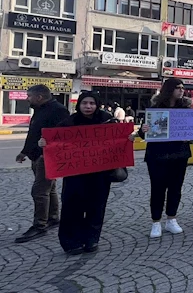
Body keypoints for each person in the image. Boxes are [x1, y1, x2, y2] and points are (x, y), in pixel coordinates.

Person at [38, 91, 134, 254]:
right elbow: (55, 142)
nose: (88, 106)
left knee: (96, 207)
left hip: (100, 174)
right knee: (72, 207)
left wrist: (129, 139)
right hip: (75, 175)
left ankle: (91, 239)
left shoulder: (107, 121)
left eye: (91, 103)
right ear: (79, 105)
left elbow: (119, 139)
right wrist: (44, 143)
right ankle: (71, 242)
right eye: (84, 103)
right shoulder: (69, 122)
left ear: (97, 105)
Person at [14, 85, 70, 244]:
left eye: (29, 96)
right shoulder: (39, 109)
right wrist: (24, 152)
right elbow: (34, 133)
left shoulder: (58, 110)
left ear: (39, 97)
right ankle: (53, 217)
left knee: (39, 191)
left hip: (48, 156)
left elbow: (63, 135)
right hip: (36, 156)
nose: (27, 99)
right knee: (49, 189)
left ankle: (39, 225)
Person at [139, 78, 193, 238]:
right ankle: (156, 221)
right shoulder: (155, 108)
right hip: (157, 154)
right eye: (178, 87)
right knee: (157, 189)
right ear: (169, 89)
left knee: (176, 188)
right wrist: (144, 129)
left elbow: (190, 131)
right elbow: (144, 132)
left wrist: (189, 136)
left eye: (183, 88)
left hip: (179, 154)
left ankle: (171, 218)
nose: (181, 90)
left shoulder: (185, 108)